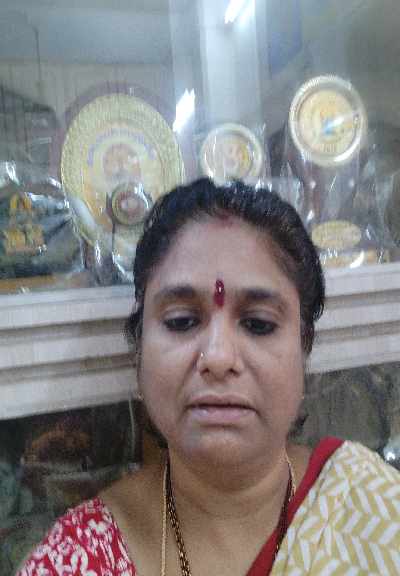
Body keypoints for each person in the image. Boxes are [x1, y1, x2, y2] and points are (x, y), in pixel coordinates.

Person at [17, 178, 400, 575]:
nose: (217, 358)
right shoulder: (76, 558)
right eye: (182, 321)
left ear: (303, 350)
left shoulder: (375, 509)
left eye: (258, 324)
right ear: (139, 352)